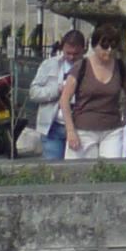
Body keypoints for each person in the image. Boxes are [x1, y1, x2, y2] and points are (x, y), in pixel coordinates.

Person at [61, 22, 126, 160]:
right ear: (95, 45)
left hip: (112, 129)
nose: (109, 50)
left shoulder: (119, 66)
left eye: (113, 46)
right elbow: (64, 99)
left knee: (112, 171)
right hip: (84, 130)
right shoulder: (81, 66)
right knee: (80, 173)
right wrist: (70, 131)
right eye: (104, 46)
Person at [28, 30, 84, 160]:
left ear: (83, 50)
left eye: (75, 54)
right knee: (53, 167)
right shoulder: (49, 65)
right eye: (68, 53)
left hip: (79, 126)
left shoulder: (88, 67)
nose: (71, 57)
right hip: (53, 127)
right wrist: (55, 90)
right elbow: (34, 92)